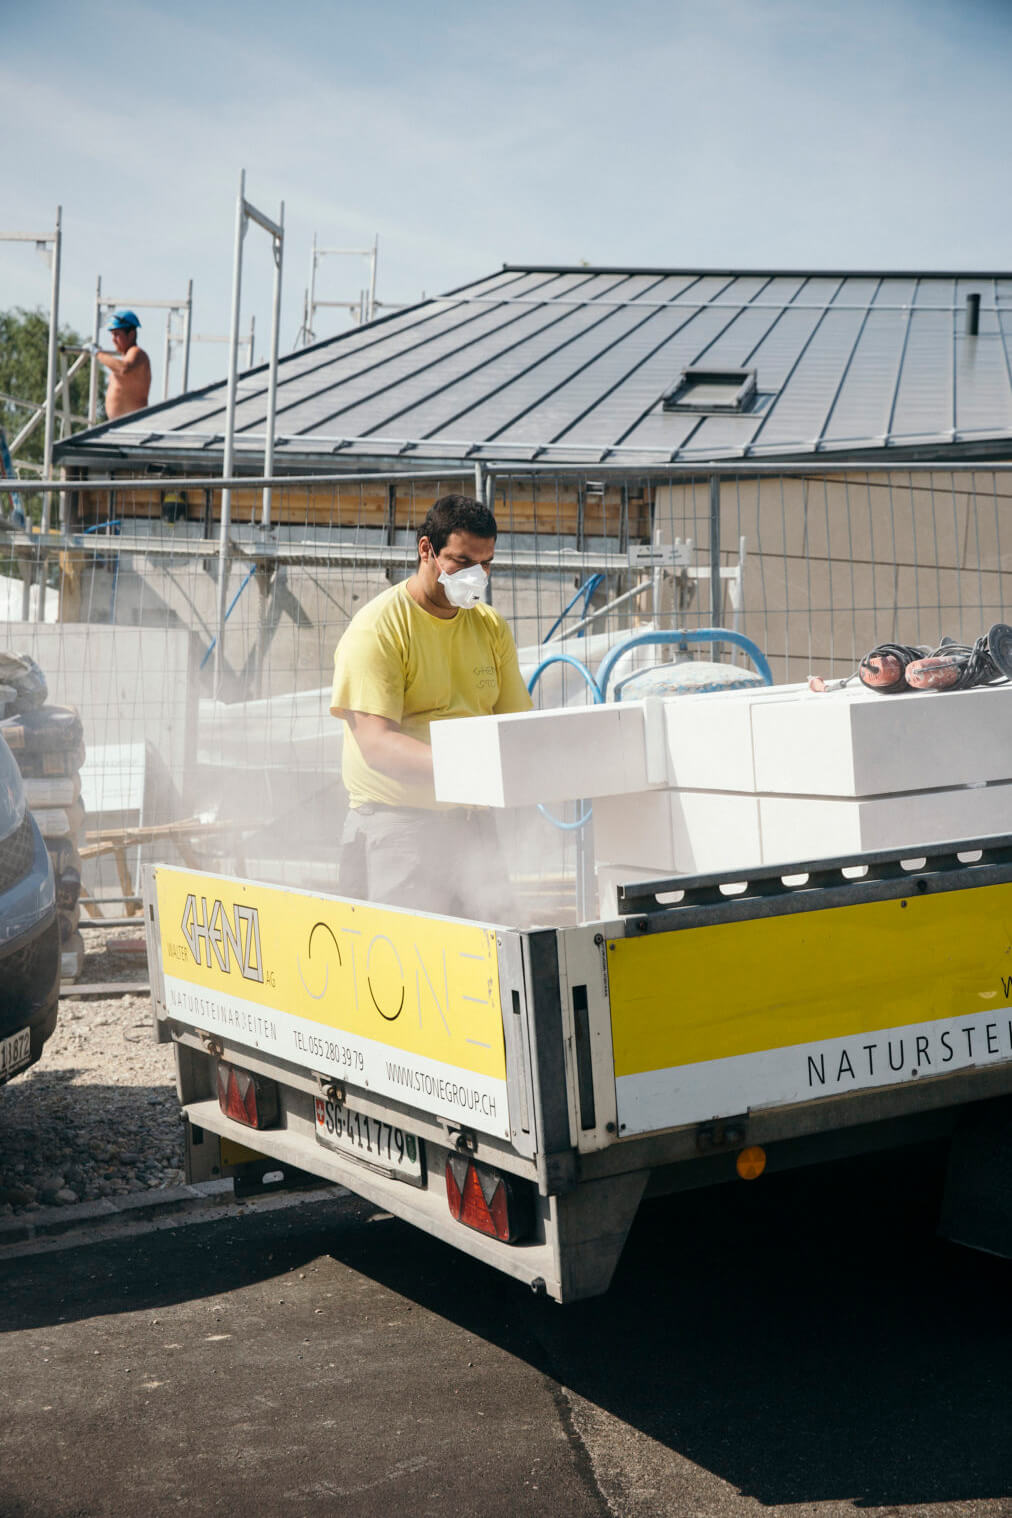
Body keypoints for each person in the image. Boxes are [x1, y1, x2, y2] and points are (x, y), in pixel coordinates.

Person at [330, 493, 533, 920]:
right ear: (426, 549)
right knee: (400, 968)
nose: (477, 577)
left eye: (486, 564)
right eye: (461, 562)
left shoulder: (490, 626)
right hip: (397, 826)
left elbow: (517, 724)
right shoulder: (379, 629)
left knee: (492, 956)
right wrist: (471, 767)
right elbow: (377, 745)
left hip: (470, 824)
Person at [93, 310, 151, 419]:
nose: (113, 340)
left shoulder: (136, 352)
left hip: (134, 425)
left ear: (131, 334)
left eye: (117, 334)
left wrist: (97, 353)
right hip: (121, 425)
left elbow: (123, 368)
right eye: (112, 335)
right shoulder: (127, 356)